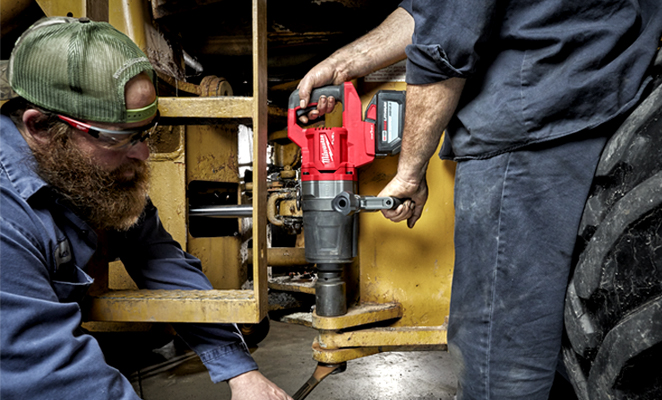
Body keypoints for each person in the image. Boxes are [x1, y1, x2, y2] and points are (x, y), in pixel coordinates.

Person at [297, 1, 662, 399]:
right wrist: (347, 61)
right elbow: (434, 10)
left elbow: (444, 39)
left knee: (499, 362)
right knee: (561, 344)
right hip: (596, 92)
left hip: (528, 126)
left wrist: (409, 173)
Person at [0, 16, 292, 400]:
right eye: (118, 136)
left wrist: (241, 372)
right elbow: (54, 377)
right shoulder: (8, 219)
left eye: (145, 132)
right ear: (39, 127)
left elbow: (158, 257)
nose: (142, 153)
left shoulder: (86, 172)